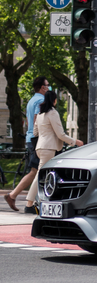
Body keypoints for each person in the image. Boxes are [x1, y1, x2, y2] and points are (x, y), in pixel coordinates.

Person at [23, 91, 84, 213]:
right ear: (54, 100)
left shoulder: (40, 114)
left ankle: (41, 201)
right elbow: (60, 134)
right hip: (49, 148)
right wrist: (75, 141)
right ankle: (29, 204)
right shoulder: (53, 113)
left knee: (45, 175)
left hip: (40, 147)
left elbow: (35, 132)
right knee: (41, 175)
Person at [4, 76, 49, 212]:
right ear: (42, 87)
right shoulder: (41, 100)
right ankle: (15, 196)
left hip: (30, 138)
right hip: (36, 139)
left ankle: (29, 200)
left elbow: (30, 121)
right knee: (35, 171)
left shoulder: (31, 100)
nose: (48, 87)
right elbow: (37, 119)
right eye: (47, 85)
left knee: (36, 171)